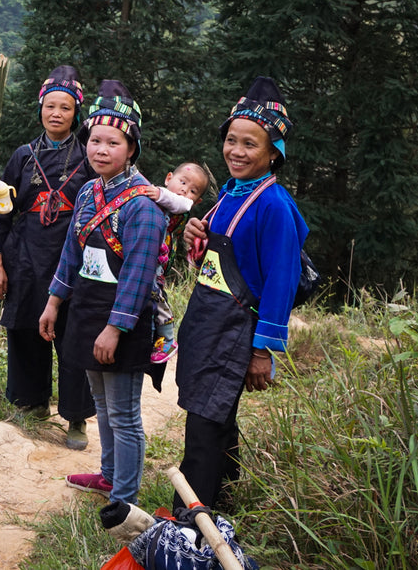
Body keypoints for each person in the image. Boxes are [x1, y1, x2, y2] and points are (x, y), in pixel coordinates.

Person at [173, 77, 308, 511]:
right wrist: (195, 236)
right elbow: (216, 259)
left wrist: (262, 351)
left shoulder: (274, 206)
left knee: (205, 424)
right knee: (216, 417)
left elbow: (281, 281)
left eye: (250, 144)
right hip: (206, 323)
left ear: (274, 153)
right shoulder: (231, 193)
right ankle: (224, 500)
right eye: (231, 140)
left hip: (234, 329)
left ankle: (190, 518)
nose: (236, 151)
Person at [38, 80, 166, 505]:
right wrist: (55, 302)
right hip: (87, 309)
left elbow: (138, 275)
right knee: (101, 401)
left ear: (131, 149)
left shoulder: (143, 206)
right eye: (94, 140)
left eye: (113, 142)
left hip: (121, 319)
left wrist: (115, 329)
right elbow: (71, 254)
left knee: (125, 412)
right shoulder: (91, 192)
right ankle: (109, 475)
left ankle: (124, 497)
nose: (101, 150)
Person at [0, 66, 96, 450]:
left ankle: (76, 417)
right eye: (50, 106)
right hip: (26, 255)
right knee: (26, 329)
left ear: (75, 114)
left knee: (72, 336)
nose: (56, 114)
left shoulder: (87, 157)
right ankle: (30, 404)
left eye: (65, 108)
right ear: (40, 110)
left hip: (72, 259)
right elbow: (1, 210)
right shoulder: (22, 156)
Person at [144, 162, 212, 363]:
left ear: (197, 201)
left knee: (155, 294)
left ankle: (167, 338)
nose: (185, 190)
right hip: (147, 254)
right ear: (168, 178)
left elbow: (179, 202)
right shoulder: (158, 194)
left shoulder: (180, 205)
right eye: (182, 182)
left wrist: (158, 194)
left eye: (192, 191)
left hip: (159, 258)